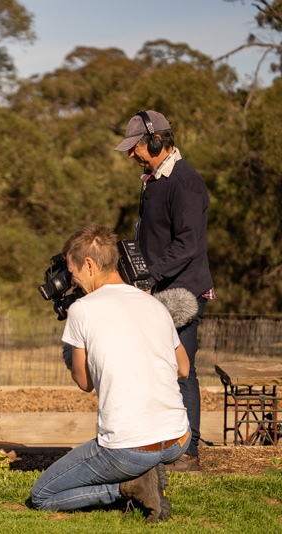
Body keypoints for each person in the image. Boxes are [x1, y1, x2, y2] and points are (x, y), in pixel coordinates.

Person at [30, 225, 190, 524]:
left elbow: (84, 383)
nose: (71, 279)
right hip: (177, 439)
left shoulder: (82, 310)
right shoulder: (153, 304)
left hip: (129, 450)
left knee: (42, 496)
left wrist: (72, 350)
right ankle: (146, 471)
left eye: (71, 270)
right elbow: (183, 368)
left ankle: (129, 486)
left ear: (88, 265)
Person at [114, 110, 214, 473]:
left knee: (181, 370)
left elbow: (187, 245)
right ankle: (164, 444)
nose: (131, 155)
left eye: (136, 147)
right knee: (159, 369)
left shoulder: (184, 182)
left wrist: (149, 277)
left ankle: (189, 453)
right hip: (158, 290)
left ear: (156, 142)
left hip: (182, 294)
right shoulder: (156, 179)